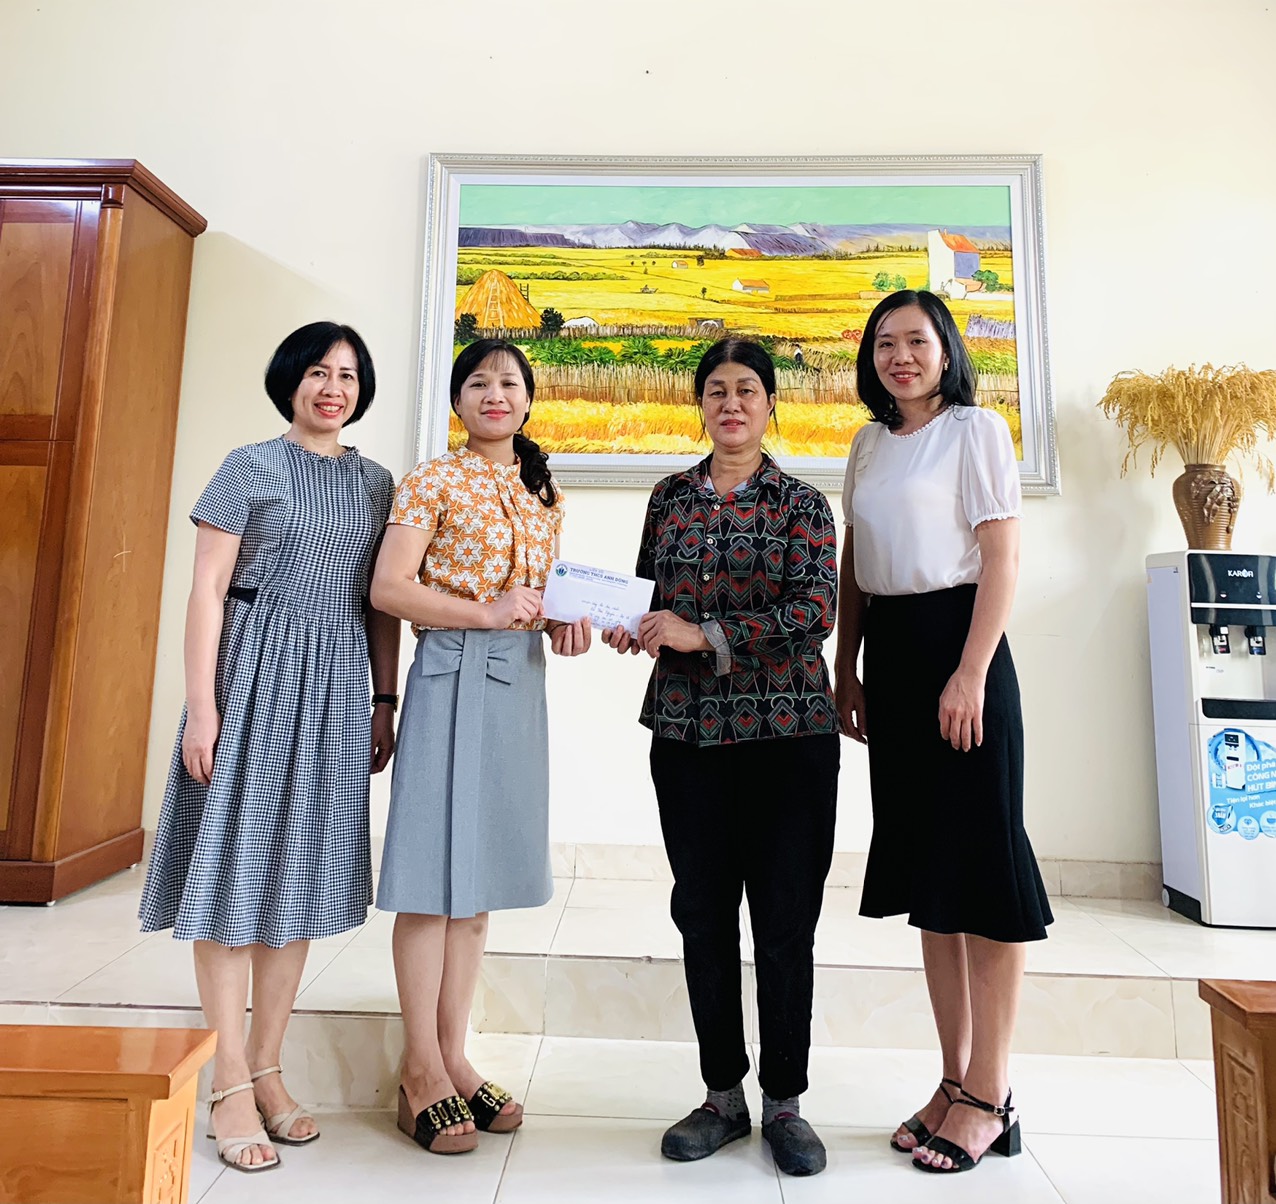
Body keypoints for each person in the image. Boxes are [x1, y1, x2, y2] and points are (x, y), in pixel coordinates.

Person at [139, 322, 400, 1173]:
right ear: (290, 379)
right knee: (231, 872)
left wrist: (384, 700)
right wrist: (202, 708)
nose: (333, 388)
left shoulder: (376, 483)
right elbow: (207, 589)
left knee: (299, 874)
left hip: (335, 684)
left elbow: (379, 604)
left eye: (348, 375)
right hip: (250, 674)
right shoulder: (248, 465)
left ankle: (268, 1068)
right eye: (319, 372)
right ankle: (226, 1084)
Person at [602, 337, 840, 1178]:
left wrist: (702, 634)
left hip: (788, 737)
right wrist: (632, 626)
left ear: (771, 404)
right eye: (716, 391)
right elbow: (648, 595)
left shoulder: (803, 504)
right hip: (688, 734)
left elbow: (813, 613)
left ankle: (786, 1102)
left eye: (746, 390)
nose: (730, 404)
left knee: (784, 921)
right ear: (699, 405)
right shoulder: (668, 498)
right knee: (701, 915)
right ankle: (721, 1098)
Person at [834, 289, 1052, 1175]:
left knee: (984, 869)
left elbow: (1002, 557)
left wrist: (970, 672)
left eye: (916, 340)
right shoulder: (868, 444)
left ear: (946, 348)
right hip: (890, 655)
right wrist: (845, 664)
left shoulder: (977, 431)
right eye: (884, 343)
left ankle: (992, 1094)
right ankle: (953, 1080)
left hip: (962, 648)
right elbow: (856, 562)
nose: (900, 356)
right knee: (932, 873)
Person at [370, 338, 589, 1156]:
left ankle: (455, 1057)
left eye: (508, 383)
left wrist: (565, 625)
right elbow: (388, 588)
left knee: (479, 882)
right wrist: (485, 614)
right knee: (432, 879)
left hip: (517, 684)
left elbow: (540, 599)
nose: (494, 393)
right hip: (451, 675)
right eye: (478, 382)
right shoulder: (430, 478)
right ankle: (419, 1069)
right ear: (457, 399)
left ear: (528, 400)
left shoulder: (542, 491)